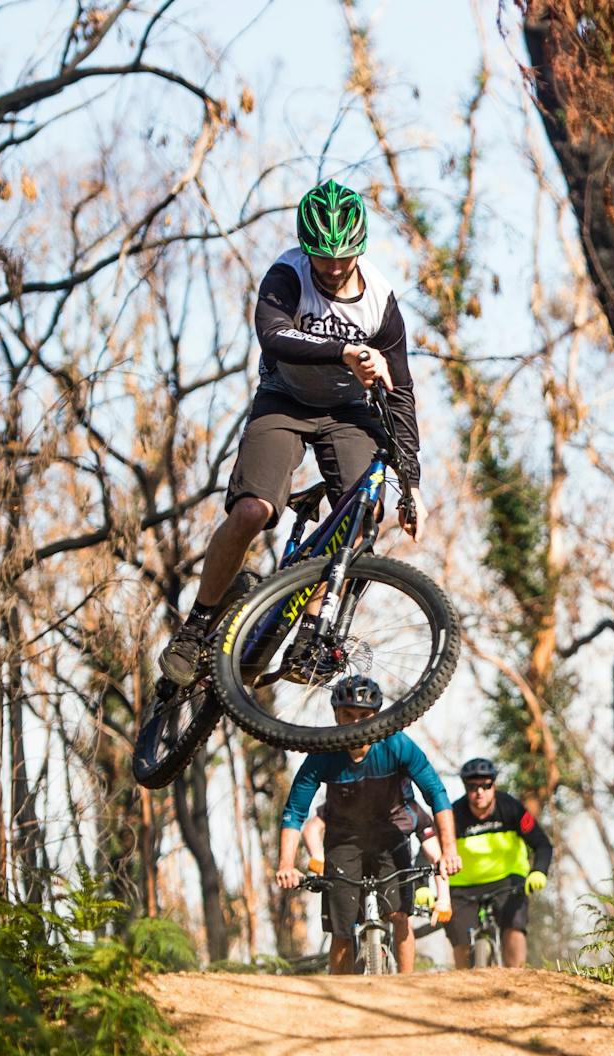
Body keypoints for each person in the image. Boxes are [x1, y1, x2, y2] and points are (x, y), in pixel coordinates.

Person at [158, 178, 425, 687]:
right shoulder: (287, 275)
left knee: (363, 515)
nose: (333, 267)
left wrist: (412, 483)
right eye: (322, 255)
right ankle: (195, 628)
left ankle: (313, 632)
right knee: (252, 511)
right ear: (306, 247)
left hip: (348, 413)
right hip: (285, 400)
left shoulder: (380, 301)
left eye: (343, 256)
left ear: (360, 248)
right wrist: (345, 352)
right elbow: (274, 336)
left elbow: (401, 392)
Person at [274, 677, 459, 972]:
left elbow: (436, 793)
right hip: (344, 841)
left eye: (364, 715)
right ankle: (343, 995)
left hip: (392, 837)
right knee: (342, 931)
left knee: (400, 917)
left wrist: (449, 851)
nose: (356, 723)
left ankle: (406, 985)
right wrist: (286, 863)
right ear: (336, 714)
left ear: (377, 715)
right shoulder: (322, 754)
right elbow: (295, 811)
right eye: (348, 714)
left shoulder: (397, 744)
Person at [302, 782, 442, 971]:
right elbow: (311, 829)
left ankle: (406, 978)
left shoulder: (408, 808)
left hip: (388, 864)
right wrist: (318, 857)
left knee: (402, 918)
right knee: (342, 931)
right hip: (350, 867)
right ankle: (339, 982)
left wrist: (444, 897)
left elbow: (436, 855)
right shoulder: (344, 801)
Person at [443, 757, 553, 969]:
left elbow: (542, 844)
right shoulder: (453, 815)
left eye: (486, 786)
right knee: (460, 940)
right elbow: (430, 849)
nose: (479, 792)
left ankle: (516, 978)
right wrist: (423, 887)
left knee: (514, 927)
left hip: (507, 881)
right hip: (462, 886)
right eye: (472, 787)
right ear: (465, 788)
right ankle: (463, 985)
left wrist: (539, 871)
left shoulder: (511, 808)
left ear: (493, 785)